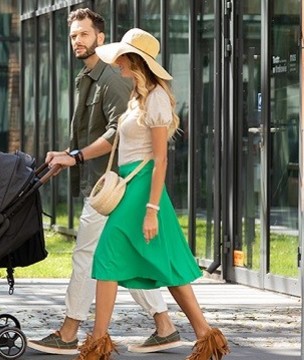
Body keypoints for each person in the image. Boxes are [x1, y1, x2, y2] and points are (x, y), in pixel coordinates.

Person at [29, 9, 180, 356]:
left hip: (114, 186)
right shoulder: (89, 76)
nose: (77, 41)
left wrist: (77, 156)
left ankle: (69, 332)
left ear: (100, 37)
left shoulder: (112, 78)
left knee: (87, 255)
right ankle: (164, 325)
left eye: (84, 34)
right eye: (72, 36)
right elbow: (98, 131)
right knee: (123, 256)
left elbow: (116, 134)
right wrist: (66, 154)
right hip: (104, 185)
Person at [73, 27, 230, 360]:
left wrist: (151, 209)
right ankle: (205, 335)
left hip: (143, 187)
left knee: (108, 257)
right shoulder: (137, 96)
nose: (116, 63)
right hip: (131, 184)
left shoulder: (156, 97)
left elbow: (161, 160)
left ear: (135, 60)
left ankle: (98, 343)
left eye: (122, 57)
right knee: (166, 266)